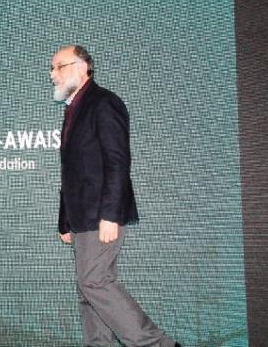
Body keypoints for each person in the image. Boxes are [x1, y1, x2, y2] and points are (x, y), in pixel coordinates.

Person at [51, 45, 179, 347]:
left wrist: (110, 214)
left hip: (101, 214)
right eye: (51, 69)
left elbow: (117, 161)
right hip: (82, 218)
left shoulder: (104, 103)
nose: (52, 74)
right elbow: (72, 171)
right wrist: (64, 220)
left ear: (81, 67)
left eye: (58, 67)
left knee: (95, 282)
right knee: (88, 291)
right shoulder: (74, 109)